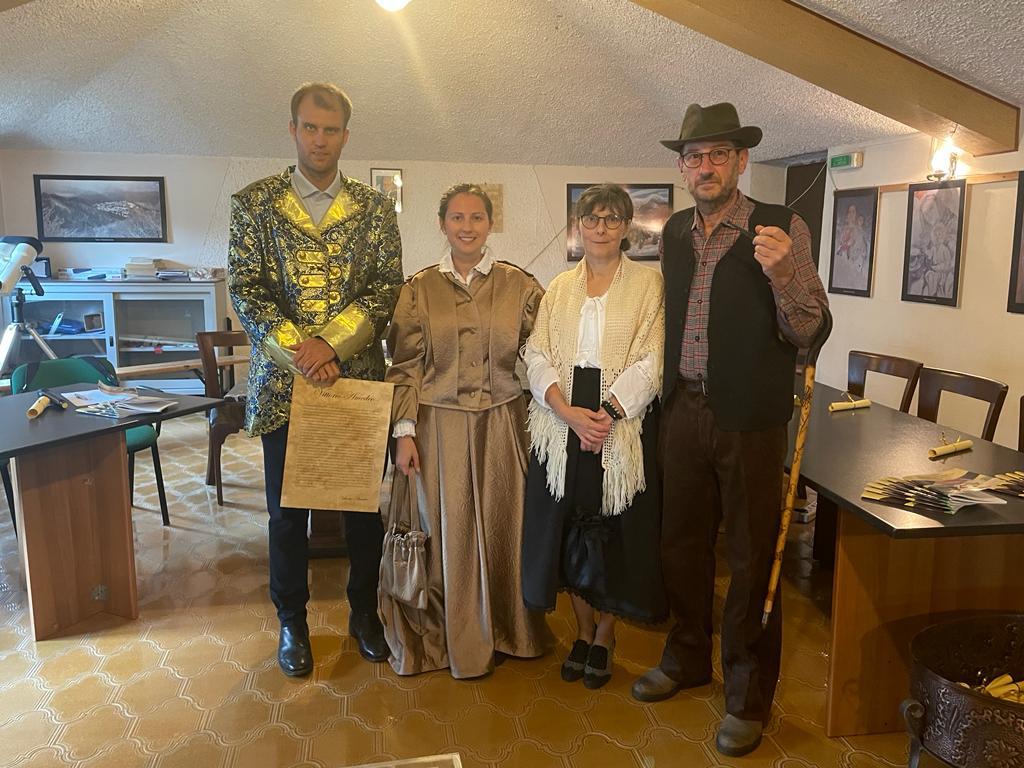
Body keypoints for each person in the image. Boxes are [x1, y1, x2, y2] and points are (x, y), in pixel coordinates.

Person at [632, 102, 828, 757]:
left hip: (751, 420)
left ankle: (747, 693)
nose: (706, 166)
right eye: (695, 156)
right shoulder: (675, 231)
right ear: (682, 168)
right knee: (680, 545)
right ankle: (687, 656)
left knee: (751, 557)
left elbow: (809, 329)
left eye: (719, 154)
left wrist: (785, 275)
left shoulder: (781, 226)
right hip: (682, 410)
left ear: (741, 160)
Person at [228, 82, 403, 677]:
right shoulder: (254, 203)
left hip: (354, 385)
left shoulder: (375, 209)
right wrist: (302, 353)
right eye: (310, 127)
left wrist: (331, 345)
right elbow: (247, 289)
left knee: (362, 512)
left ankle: (364, 614)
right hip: (286, 388)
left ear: (346, 136)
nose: (320, 139)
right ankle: (292, 622)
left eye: (331, 130)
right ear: (293, 129)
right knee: (286, 516)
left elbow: (384, 287)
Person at [380, 183, 547, 678]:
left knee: (503, 527)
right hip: (438, 428)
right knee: (444, 531)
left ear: (490, 224)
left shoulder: (521, 286)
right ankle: (447, 639)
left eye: (476, 217)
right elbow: (405, 365)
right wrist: (403, 432)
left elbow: (545, 354)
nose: (467, 227)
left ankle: (510, 631)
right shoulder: (418, 289)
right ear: (442, 224)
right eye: (457, 217)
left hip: (502, 424)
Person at [522, 183, 667, 690]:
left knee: (611, 528)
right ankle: (582, 632)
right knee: (570, 527)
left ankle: (605, 634)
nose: (601, 228)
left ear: (626, 227)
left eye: (611, 219)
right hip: (562, 416)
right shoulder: (559, 287)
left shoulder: (648, 285)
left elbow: (654, 358)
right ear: (578, 226)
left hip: (621, 417)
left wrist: (606, 414)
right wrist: (567, 412)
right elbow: (536, 354)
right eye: (591, 218)